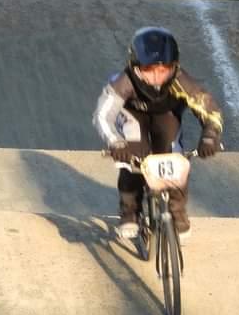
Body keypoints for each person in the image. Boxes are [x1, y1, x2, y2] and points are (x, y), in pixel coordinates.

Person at [93, 26, 223, 243]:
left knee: (174, 157)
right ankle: (130, 211)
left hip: (166, 115)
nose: (156, 78)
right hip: (132, 115)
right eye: (149, 69)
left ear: (175, 67)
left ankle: (177, 211)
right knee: (132, 158)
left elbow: (210, 110)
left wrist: (209, 136)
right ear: (135, 67)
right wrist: (116, 142)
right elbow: (103, 115)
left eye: (164, 70)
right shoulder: (123, 82)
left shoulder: (183, 81)